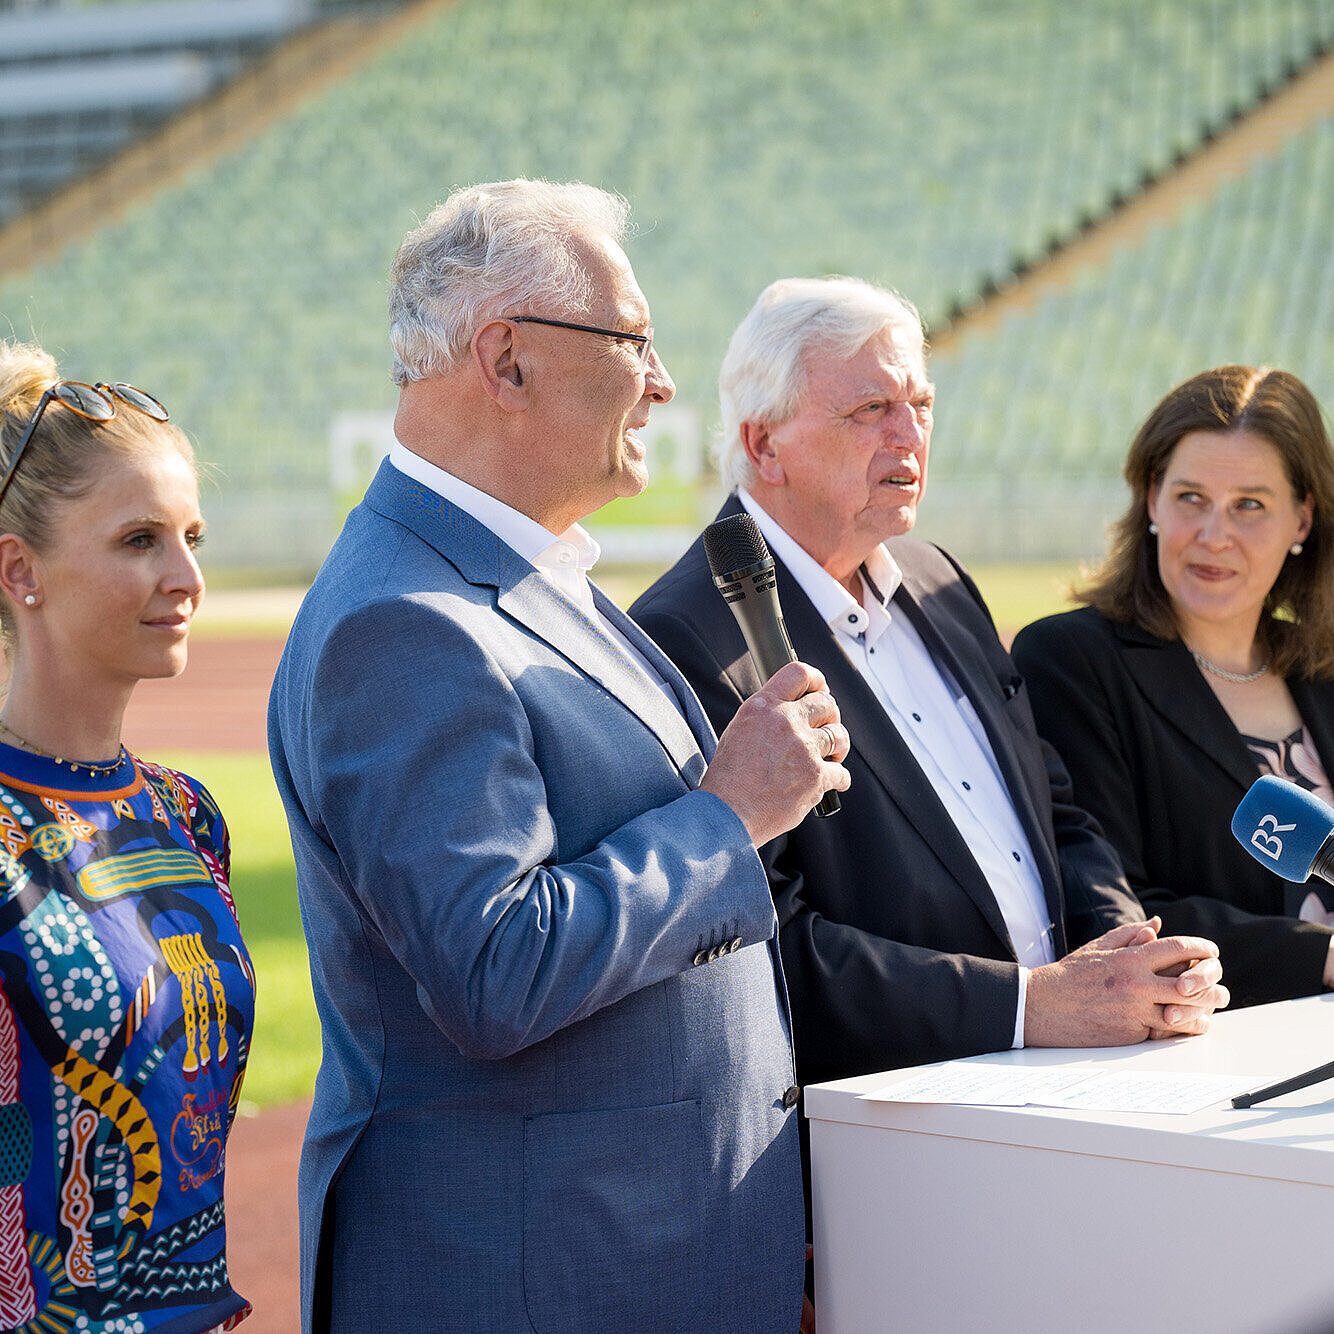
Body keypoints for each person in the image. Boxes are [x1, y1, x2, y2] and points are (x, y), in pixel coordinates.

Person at [268, 182, 846, 1334]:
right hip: (533, 1276)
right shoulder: (406, 621)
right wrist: (725, 816)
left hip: (623, 1255)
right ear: (507, 358)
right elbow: (495, 967)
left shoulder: (526, 573)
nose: (663, 378)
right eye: (634, 338)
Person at [632, 276, 1230, 1105]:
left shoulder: (940, 580)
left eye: (920, 403)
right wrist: (1030, 1007)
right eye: (869, 409)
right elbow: (764, 946)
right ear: (763, 445)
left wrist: (1127, 952)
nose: (909, 435)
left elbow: (1054, 814)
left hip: (1074, 1078)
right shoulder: (686, 635)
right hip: (893, 1130)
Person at [0, 341, 253, 1333]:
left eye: (191, 534)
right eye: (140, 539)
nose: (186, 573)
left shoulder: (186, 814)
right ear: (19, 568)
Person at [1013, 365, 1334, 1008]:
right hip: (1209, 1050)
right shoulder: (1072, 662)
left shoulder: (1324, 676)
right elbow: (1120, 910)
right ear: (1152, 497)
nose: (1214, 536)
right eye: (1191, 497)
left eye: (1250, 504)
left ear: (1302, 520)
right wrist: (1320, 958)